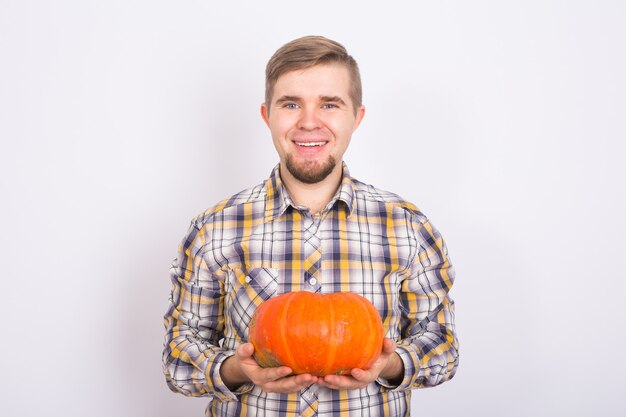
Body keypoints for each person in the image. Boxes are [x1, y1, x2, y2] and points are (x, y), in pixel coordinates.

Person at [163, 35, 459, 416]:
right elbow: (178, 360)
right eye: (291, 104)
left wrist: (390, 363)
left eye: (329, 104)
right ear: (268, 115)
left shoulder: (409, 227)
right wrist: (237, 369)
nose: (308, 122)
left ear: (357, 117)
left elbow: (443, 349)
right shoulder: (214, 229)